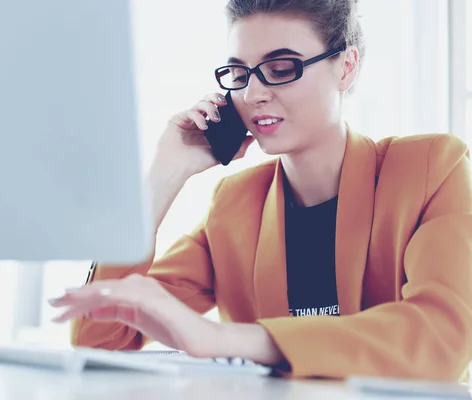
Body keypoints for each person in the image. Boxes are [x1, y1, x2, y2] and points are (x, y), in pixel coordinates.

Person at [49, 0, 472, 380]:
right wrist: (163, 176)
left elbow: (442, 338)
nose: (252, 94)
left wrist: (225, 339)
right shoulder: (235, 205)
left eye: (281, 67)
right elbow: (98, 340)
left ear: (346, 66)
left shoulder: (431, 168)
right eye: (239, 73)